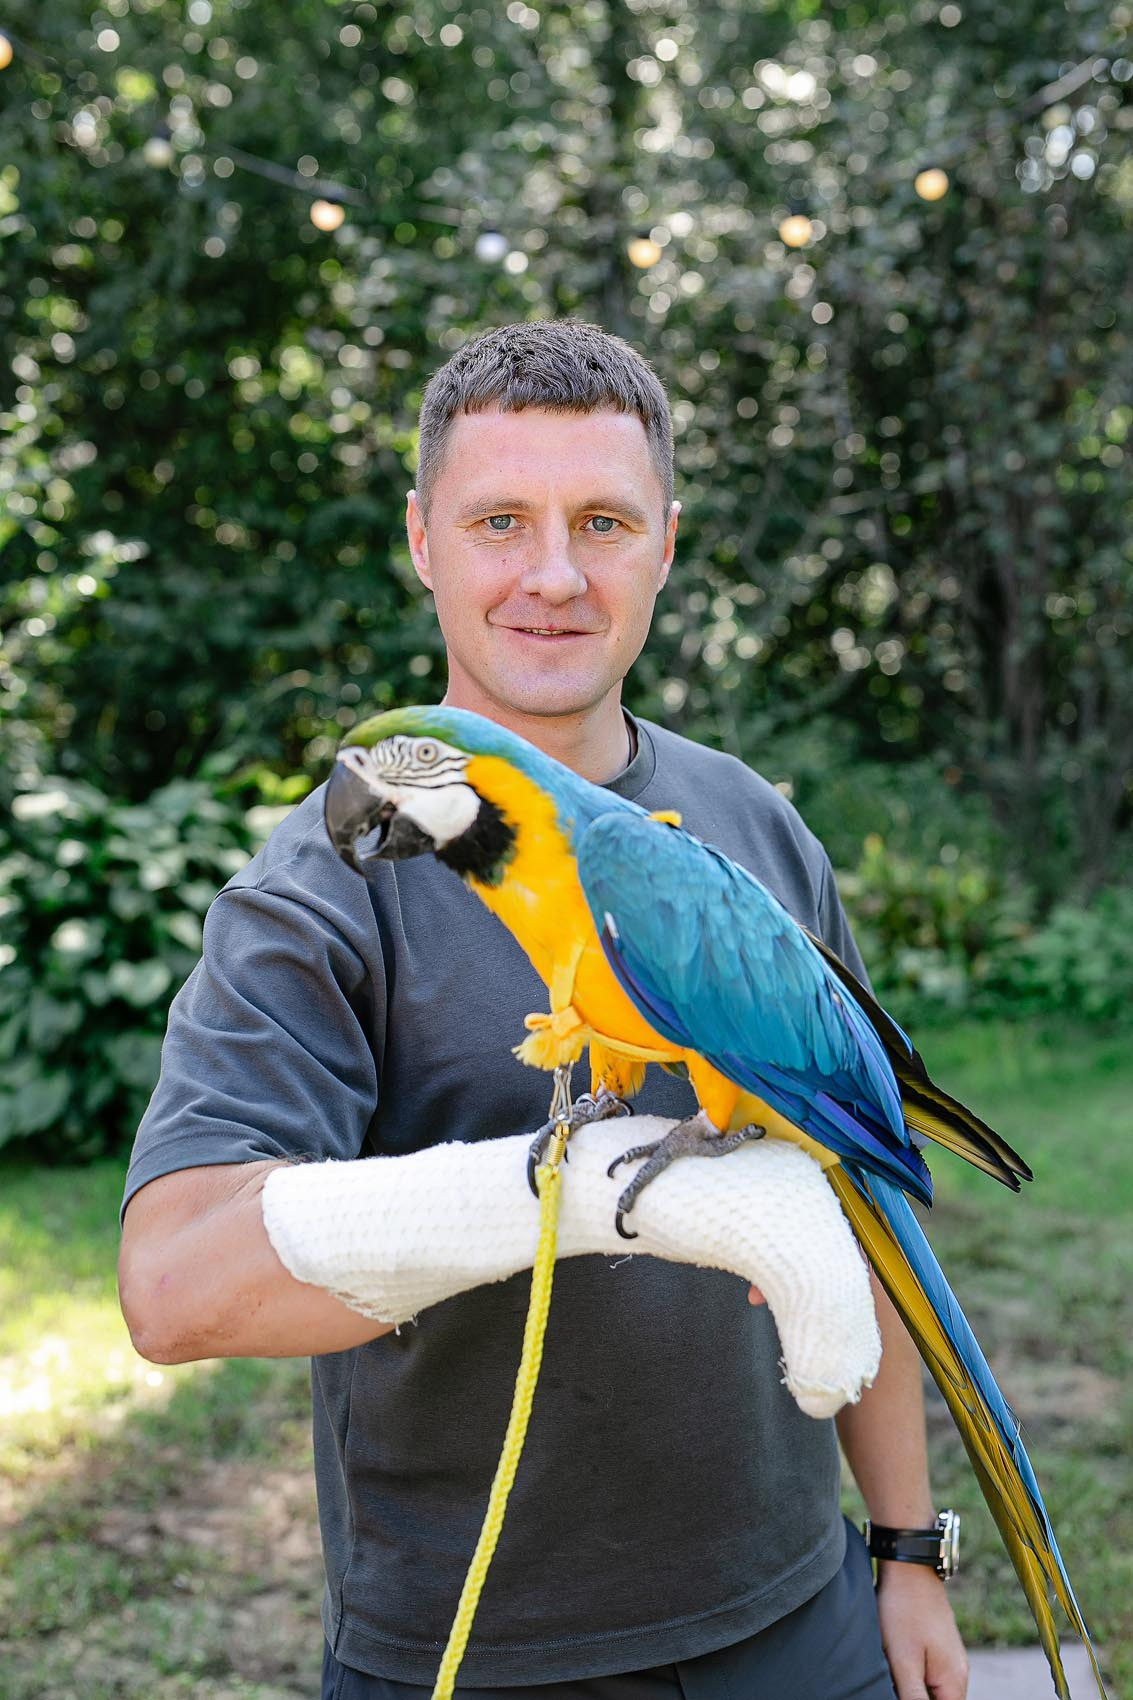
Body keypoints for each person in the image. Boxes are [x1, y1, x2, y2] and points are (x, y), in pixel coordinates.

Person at [119, 321, 968, 1700]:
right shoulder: (317, 893)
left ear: (667, 542)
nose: (555, 576)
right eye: (500, 520)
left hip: (795, 1614)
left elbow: (863, 1201)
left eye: (605, 522)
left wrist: (903, 1547)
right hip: (476, 1647)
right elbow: (169, 1292)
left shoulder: (746, 828)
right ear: (422, 540)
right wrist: (563, 1197)